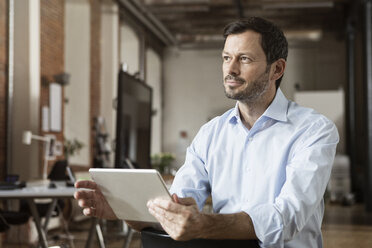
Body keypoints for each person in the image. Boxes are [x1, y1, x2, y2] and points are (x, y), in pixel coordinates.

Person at [74, 17, 339, 247]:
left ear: (277, 69)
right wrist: (127, 209)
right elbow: (178, 205)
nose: (230, 69)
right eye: (226, 58)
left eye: (244, 59)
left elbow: (286, 217)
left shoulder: (314, 130)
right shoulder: (210, 134)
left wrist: (204, 225)